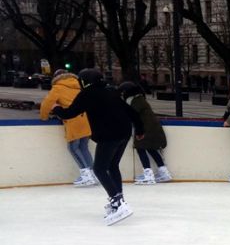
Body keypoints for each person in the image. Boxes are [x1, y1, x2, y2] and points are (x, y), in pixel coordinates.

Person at [51, 68, 144, 225]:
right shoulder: (110, 91)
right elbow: (132, 112)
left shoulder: (88, 94)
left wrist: (56, 109)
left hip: (109, 135)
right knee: (113, 166)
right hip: (124, 133)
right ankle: (119, 199)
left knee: (99, 169)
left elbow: (70, 113)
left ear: (84, 82)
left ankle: (118, 202)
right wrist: (140, 130)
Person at [39, 69, 96, 186]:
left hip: (73, 120)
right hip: (86, 120)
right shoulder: (79, 86)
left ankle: (86, 175)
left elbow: (47, 103)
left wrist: (44, 117)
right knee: (84, 147)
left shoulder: (58, 87)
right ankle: (93, 174)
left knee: (73, 148)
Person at [117, 81, 172, 184]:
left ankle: (148, 174)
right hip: (152, 128)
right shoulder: (140, 99)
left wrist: (139, 132)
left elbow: (133, 116)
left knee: (140, 148)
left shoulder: (135, 101)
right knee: (151, 149)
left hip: (145, 128)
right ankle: (164, 172)